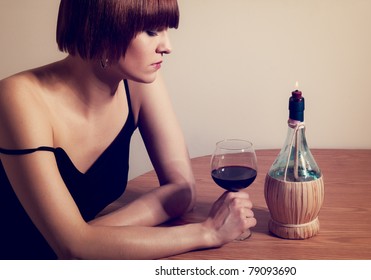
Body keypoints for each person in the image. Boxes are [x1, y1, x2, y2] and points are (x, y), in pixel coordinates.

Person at [0, 0, 256, 259]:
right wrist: (207, 233)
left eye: (166, 30)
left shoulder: (138, 82)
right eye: (151, 31)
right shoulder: (18, 98)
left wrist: (86, 237)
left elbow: (183, 191)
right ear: (102, 29)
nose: (167, 47)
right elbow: (72, 249)